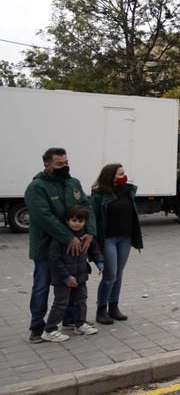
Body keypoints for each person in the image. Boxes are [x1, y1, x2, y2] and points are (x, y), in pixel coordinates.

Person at [25, 147, 96, 343]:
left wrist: (90, 231)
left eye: (66, 162)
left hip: (72, 250)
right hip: (46, 249)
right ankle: (37, 327)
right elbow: (44, 217)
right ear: (46, 165)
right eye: (59, 164)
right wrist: (68, 237)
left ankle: (72, 320)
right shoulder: (37, 187)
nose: (64, 166)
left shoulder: (73, 183)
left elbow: (86, 207)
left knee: (72, 286)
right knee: (41, 288)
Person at [90, 163, 143, 325]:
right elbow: (93, 218)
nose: (123, 176)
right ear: (110, 176)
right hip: (108, 239)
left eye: (123, 173)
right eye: (120, 174)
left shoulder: (128, 191)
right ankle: (101, 310)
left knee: (119, 274)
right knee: (110, 275)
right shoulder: (99, 195)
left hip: (125, 238)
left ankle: (114, 307)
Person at [42, 205, 104, 342]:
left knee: (81, 300)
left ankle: (80, 324)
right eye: (74, 220)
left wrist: (100, 263)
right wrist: (66, 276)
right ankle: (50, 330)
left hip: (81, 275)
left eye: (80, 221)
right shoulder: (61, 238)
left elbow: (95, 249)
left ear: (85, 222)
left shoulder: (86, 236)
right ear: (67, 220)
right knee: (60, 303)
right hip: (63, 278)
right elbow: (54, 259)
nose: (77, 224)